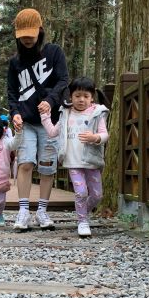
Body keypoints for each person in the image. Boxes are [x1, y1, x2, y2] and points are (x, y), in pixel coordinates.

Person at [7, 8, 69, 231]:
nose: (26, 39)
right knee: (25, 163)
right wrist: (14, 113)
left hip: (49, 122)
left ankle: (42, 211)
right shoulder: (15, 63)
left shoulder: (54, 53)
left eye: (30, 35)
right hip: (26, 123)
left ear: (40, 31)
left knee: (46, 167)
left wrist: (51, 101)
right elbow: (12, 93)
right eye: (22, 36)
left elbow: (63, 80)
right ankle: (23, 211)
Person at [41, 77, 109, 237]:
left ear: (92, 97)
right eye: (77, 95)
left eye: (86, 96)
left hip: (91, 161)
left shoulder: (97, 112)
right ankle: (82, 221)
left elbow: (105, 134)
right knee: (80, 192)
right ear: (70, 96)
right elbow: (52, 132)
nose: (81, 99)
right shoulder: (66, 113)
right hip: (73, 161)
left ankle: (82, 212)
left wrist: (95, 137)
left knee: (97, 195)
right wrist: (45, 117)